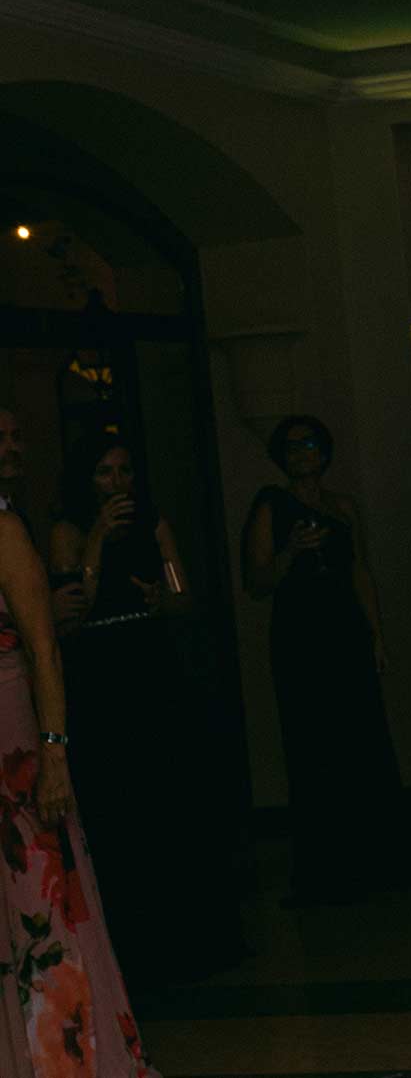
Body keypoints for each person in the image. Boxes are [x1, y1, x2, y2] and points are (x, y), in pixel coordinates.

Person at [0, 509, 158, 1078]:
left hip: (11, 745)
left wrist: (54, 755)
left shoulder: (3, 531)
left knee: (37, 904)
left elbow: (44, 648)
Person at [242, 415, 411, 904]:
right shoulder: (271, 504)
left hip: (345, 632)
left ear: (324, 451)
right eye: (292, 446)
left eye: (310, 444)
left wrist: (376, 634)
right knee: (312, 742)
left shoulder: (343, 507)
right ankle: (326, 867)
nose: (302, 453)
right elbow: (256, 580)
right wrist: (290, 553)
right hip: (301, 637)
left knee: (363, 737)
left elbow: (360, 571)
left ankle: (378, 857)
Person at [46, 434, 192, 987]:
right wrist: (99, 540)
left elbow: (182, 592)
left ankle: (179, 932)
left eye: (124, 471)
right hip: (101, 673)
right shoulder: (68, 530)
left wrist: (164, 598)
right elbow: (73, 608)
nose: (117, 483)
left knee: (165, 796)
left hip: (149, 662)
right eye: (105, 472)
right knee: (116, 800)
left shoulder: (153, 523)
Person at [0, 409, 85, 627]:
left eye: (16, 438)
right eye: (0, 439)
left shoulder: (18, 516)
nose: (11, 448)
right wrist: (44, 612)